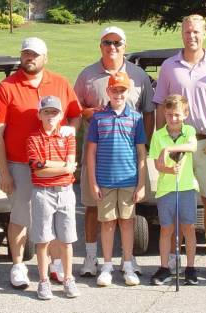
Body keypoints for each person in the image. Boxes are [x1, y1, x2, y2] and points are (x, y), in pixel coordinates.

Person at [0, 37, 82, 289]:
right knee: (20, 215)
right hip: (19, 164)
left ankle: (55, 263)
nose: (30, 58)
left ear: (45, 58)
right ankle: (18, 264)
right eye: (26, 54)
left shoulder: (60, 83)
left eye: (35, 55)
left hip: (56, 165)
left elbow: (75, 116)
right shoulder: (7, 87)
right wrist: (3, 171)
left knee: (54, 217)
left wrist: (69, 132)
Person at [152, 14, 206, 278]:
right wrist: (160, 142)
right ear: (182, 34)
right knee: (175, 197)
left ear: (205, 34)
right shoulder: (169, 66)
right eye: (187, 31)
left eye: (196, 32)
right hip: (175, 144)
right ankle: (175, 256)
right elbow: (159, 106)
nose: (192, 36)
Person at [74, 26, 154, 277]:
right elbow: (75, 109)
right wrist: (92, 112)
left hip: (129, 159)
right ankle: (91, 257)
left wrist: (147, 145)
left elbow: (148, 112)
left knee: (128, 212)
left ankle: (127, 260)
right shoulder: (87, 75)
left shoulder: (138, 75)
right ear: (101, 46)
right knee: (91, 207)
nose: (112, 47)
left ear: (124, 46)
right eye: (107, 42)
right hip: (97, 155)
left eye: (117, 43)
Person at [85, 72, 147, 287]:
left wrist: (141, 184)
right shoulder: (98, 118)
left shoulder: (136, 118)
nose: (118, 94)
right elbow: (91, 152)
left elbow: (141, 153)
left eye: (122, 90)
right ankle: (108, 265)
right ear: (108, 91)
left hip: (129, 179)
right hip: (105, 180)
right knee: (108, 223)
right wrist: (93, 182)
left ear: (127, 92)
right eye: (114, 90)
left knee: (127, 222)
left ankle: (128, 263)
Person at [26, 96, 80, 300]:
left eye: (55, 112)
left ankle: (68, 279)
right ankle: (43, 281)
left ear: (60, 116)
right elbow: (38, 170)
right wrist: (62, 166)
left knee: (66, 240)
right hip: (42, 193)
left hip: (65, 191)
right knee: (43, 240)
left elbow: (71, 165)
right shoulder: (33, 138)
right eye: (47, 112)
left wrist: (50, 164)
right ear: (40, 114)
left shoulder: (67, 136)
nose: (51, 116)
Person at [148, 95, 199, 286]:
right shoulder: (158, 135)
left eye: (177, 115)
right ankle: (164, 268)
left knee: (188, 228)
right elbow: (157, 165)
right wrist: (169, 169)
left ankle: (191, 268)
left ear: (185, 114)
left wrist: (168, 148)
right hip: (166, 189)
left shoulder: (189, 131)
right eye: (169, 115)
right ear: (164, 114)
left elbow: (192, 147)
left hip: (186, 187)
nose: (173, 119)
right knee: (166, 229)